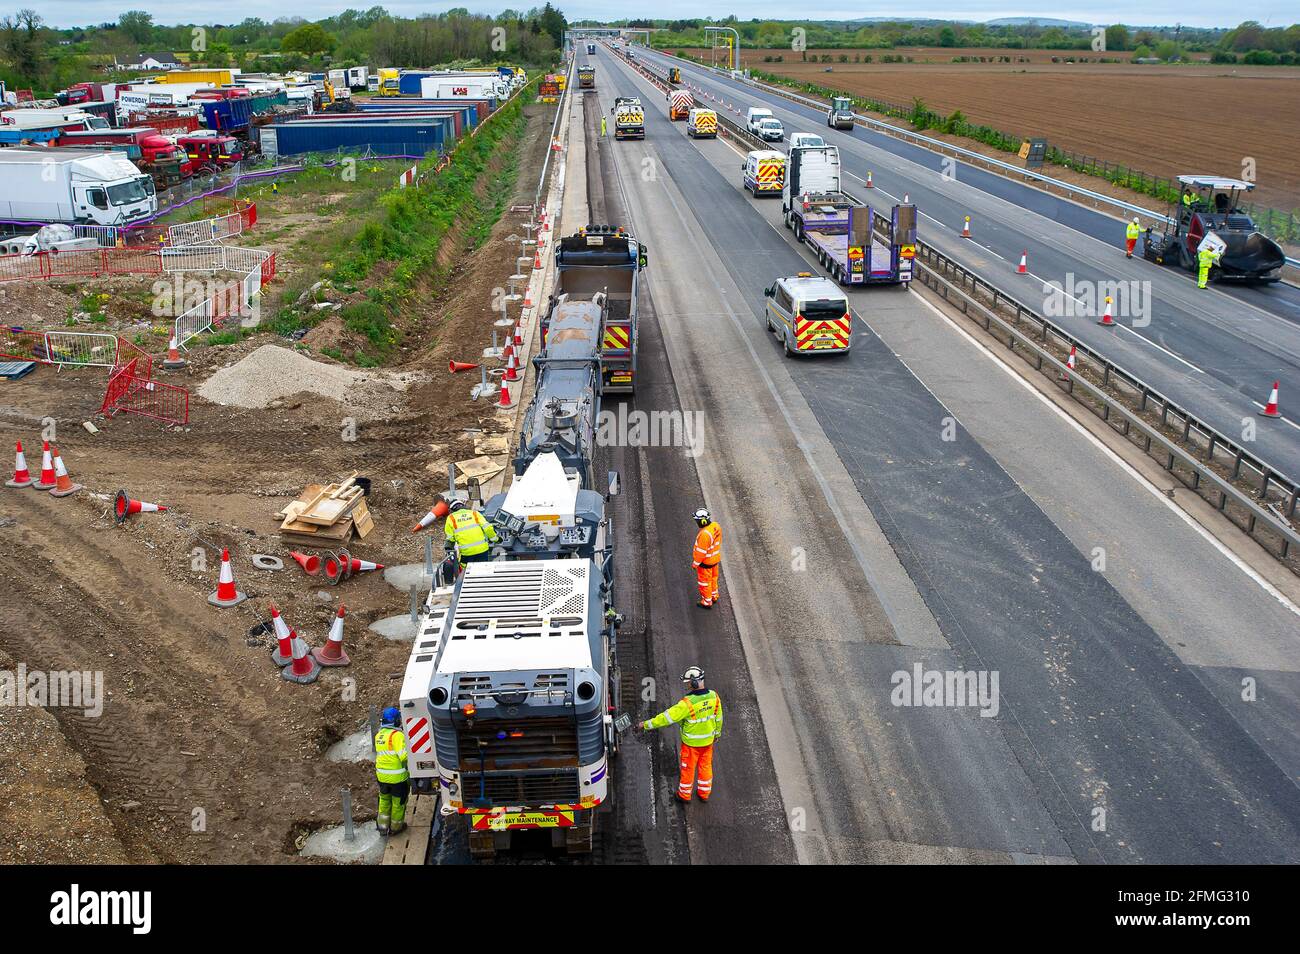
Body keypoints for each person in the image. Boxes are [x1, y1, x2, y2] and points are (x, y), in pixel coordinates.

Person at [640, 667, 723, 803]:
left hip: (691, 745)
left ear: (694, 683)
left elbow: (666, 718)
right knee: (706, 766)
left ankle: (684, 795)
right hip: (708, 741)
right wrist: (717, 734)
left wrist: (646, 724)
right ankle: (704, 793)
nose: (687, 685)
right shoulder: (714, 697)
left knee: (688, 768)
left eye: (688, 682)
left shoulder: (687, 704)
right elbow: (718, 718)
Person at [374, 707, 409, 835]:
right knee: (398, 803)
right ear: (395, 721)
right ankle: (396, 827)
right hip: (397, 779)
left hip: (381, 777)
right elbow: (404, 756)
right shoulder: (397, 736)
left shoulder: (379, 735)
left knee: (384, 800)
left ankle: (382, 827)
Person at [444, 499, 498, 565]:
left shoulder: (451, 518)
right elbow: (488, 528)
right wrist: (495, 539)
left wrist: (450, 549)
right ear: (463, 506)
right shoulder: (474, 514)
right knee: (483, 569)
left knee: (466, 571)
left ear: (452, 509)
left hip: (467, 552)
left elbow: (450, 538)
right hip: (482, 550)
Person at [691, 507, 722, 608]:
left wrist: (695, 564)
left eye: (697, 520)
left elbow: (701, 552)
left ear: (703, 521)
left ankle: (707, 601)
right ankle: (714, 596)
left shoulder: (704, 534)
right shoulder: (715, 526)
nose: (696, 522)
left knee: (704, 583)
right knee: (713, 578)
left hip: (705, 563)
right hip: (715, 559)